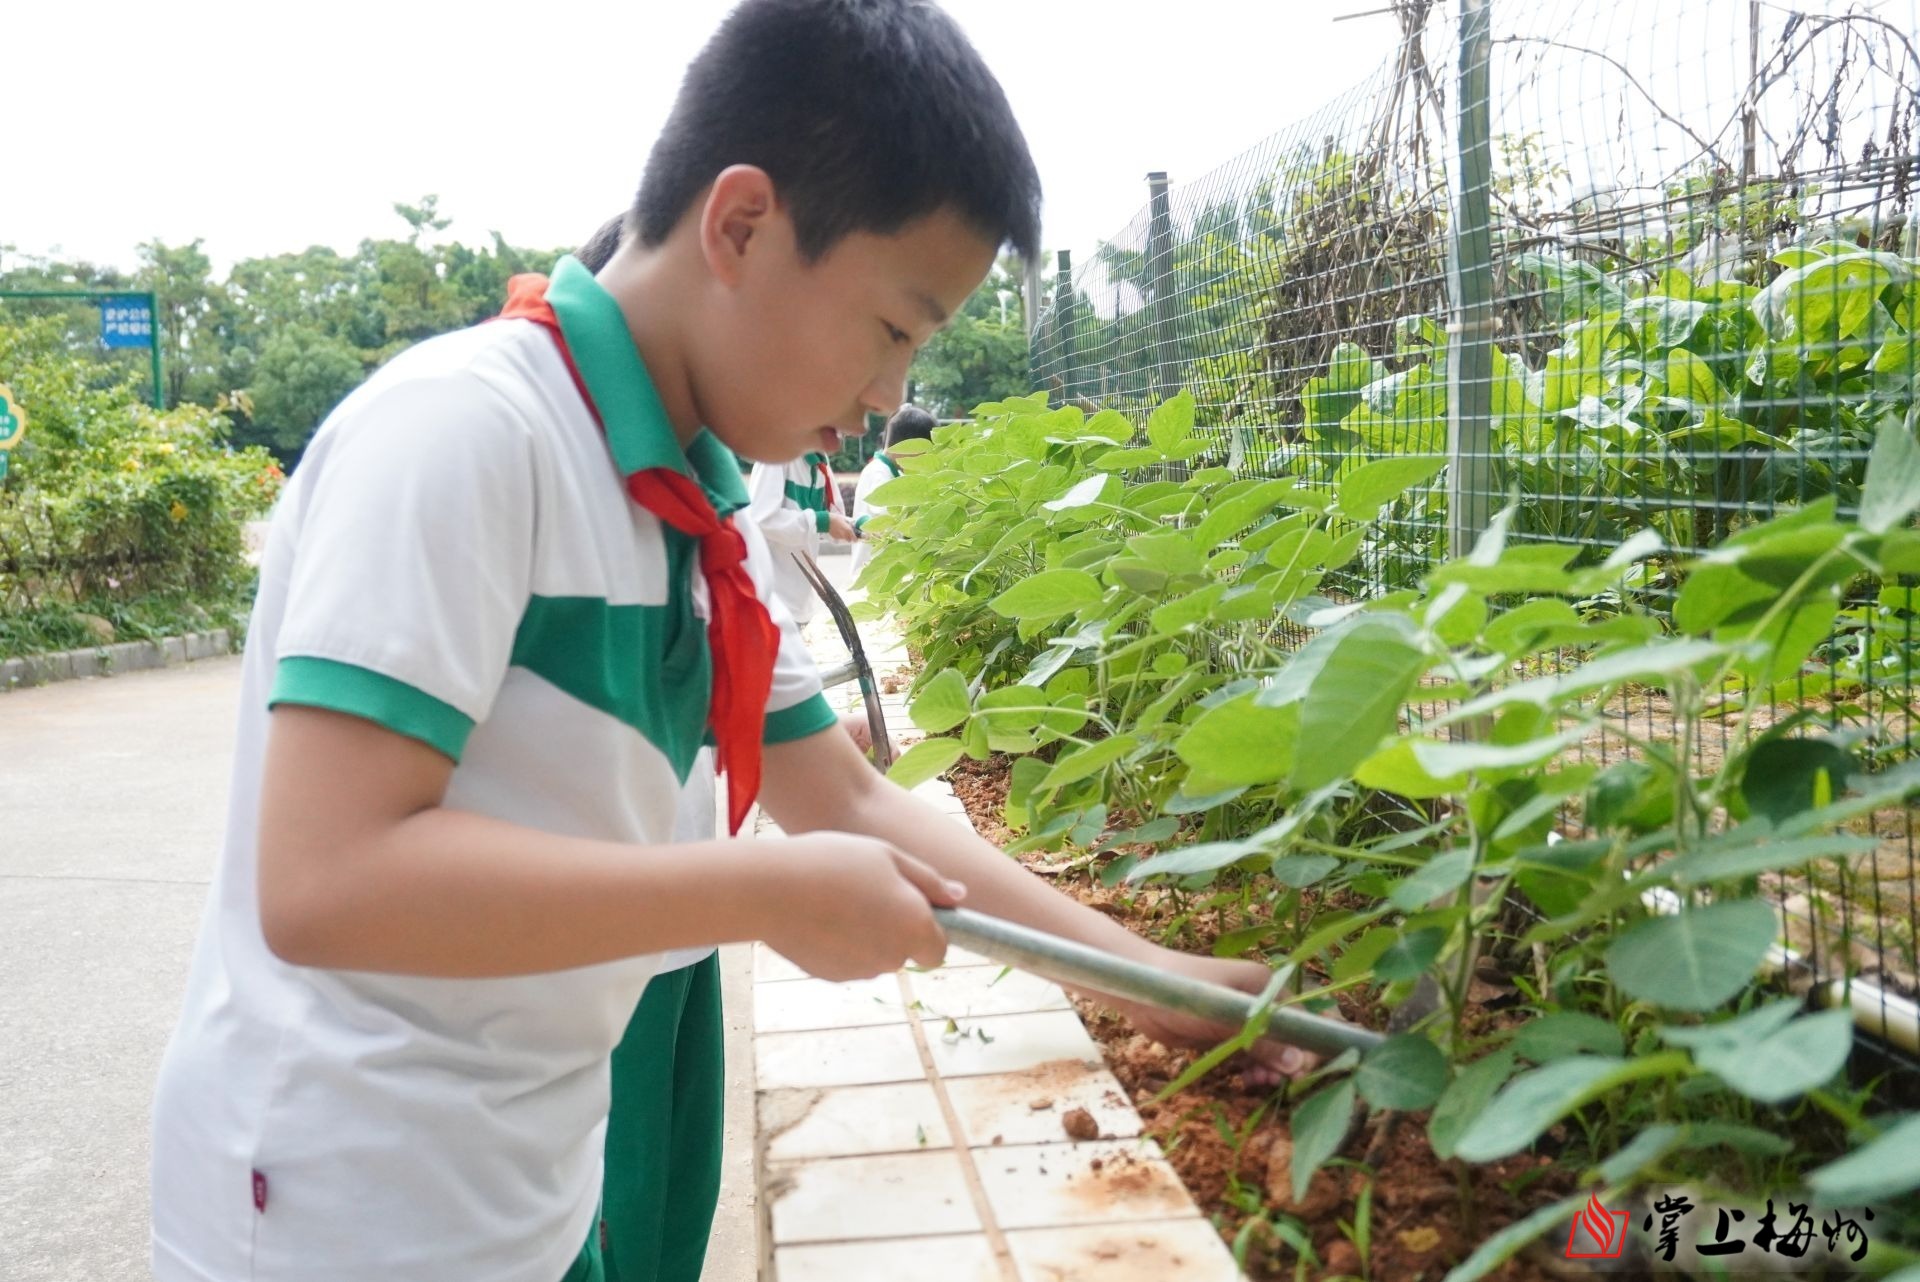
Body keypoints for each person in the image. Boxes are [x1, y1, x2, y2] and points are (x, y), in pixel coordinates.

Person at [149, 4, 1312, 1281]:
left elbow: (849, 796)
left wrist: (1155, 979)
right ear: (743, 223)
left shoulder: (705, 513)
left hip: (521, 1190)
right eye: (894, 330)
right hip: (338, 1213)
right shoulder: (465, 434)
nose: (886, 399)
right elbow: (328, 879)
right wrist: (756, 891)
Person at [746, 449, 854, 625]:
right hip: (771, 602)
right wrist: (821, 521)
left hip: (800, 601)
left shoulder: (820, 461)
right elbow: (761, 518)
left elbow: (832, 517)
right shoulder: (776, 454)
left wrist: (858, 526)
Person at [850, 402, 934, 575]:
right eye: (924, 452)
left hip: (880, 575)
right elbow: (887, 521)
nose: (926, 458)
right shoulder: (879, 473)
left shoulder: (889, 470)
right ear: (908, 447)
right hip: (874, 578)